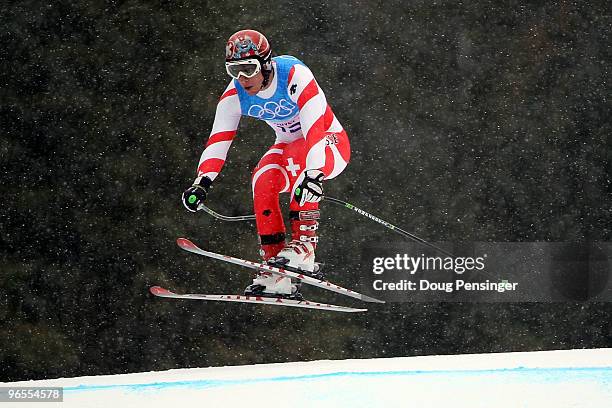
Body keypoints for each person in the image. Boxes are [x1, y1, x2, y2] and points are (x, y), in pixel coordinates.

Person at [182, 29, 350, 298]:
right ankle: (276, 270)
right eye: (234, 70)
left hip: (329, 145)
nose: (242, 78)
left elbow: (316, 127)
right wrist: (202, 182)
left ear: (267, 63)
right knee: (263, 178)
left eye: (248, 68)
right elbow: (218, 140)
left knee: (297, 156)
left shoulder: (295, 75)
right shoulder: (235, 95)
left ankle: (305, 248)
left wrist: (314, 172)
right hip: (291, 149)